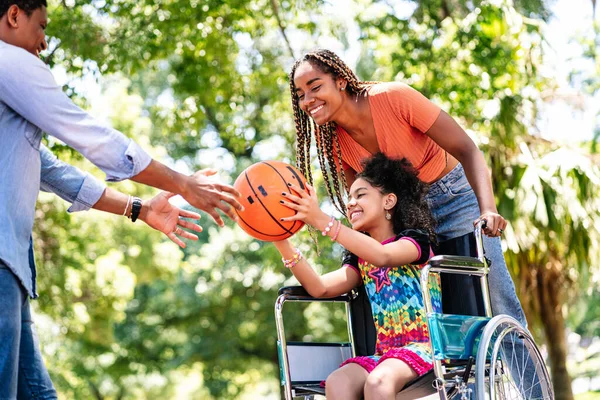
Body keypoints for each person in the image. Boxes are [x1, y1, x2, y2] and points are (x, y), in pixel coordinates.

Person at [0, 1, 241, 398]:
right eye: (40, 26)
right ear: (13, 16)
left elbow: (54, 172)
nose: (43, 41)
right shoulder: (11, 61)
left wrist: (140, 208)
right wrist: (182, 183)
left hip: (13, 272)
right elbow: (94, 138)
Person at [288, 48, 526, 326]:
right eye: (300, 94)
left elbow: (467, 149)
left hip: (454, 198)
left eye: (315, 87)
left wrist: (488, 209)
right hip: (406, 216)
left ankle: (526, 368)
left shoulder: (392, 97)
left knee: (496, 298)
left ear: (340, 80)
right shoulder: (329, 138)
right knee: (430, 309)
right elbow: (364, 200)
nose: (307, 100)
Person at [274, 153, 440, 399]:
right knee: (338, 382)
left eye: (360, 195)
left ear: (389, 201)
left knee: (377, 382)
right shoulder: (360, 260)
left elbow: (383, 256)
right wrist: (280, 241)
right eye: (349, 197)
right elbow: (320, 288)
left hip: (425, 348)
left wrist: (321, 220)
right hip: (384, 354)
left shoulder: (415, 242)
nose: (350, 203)